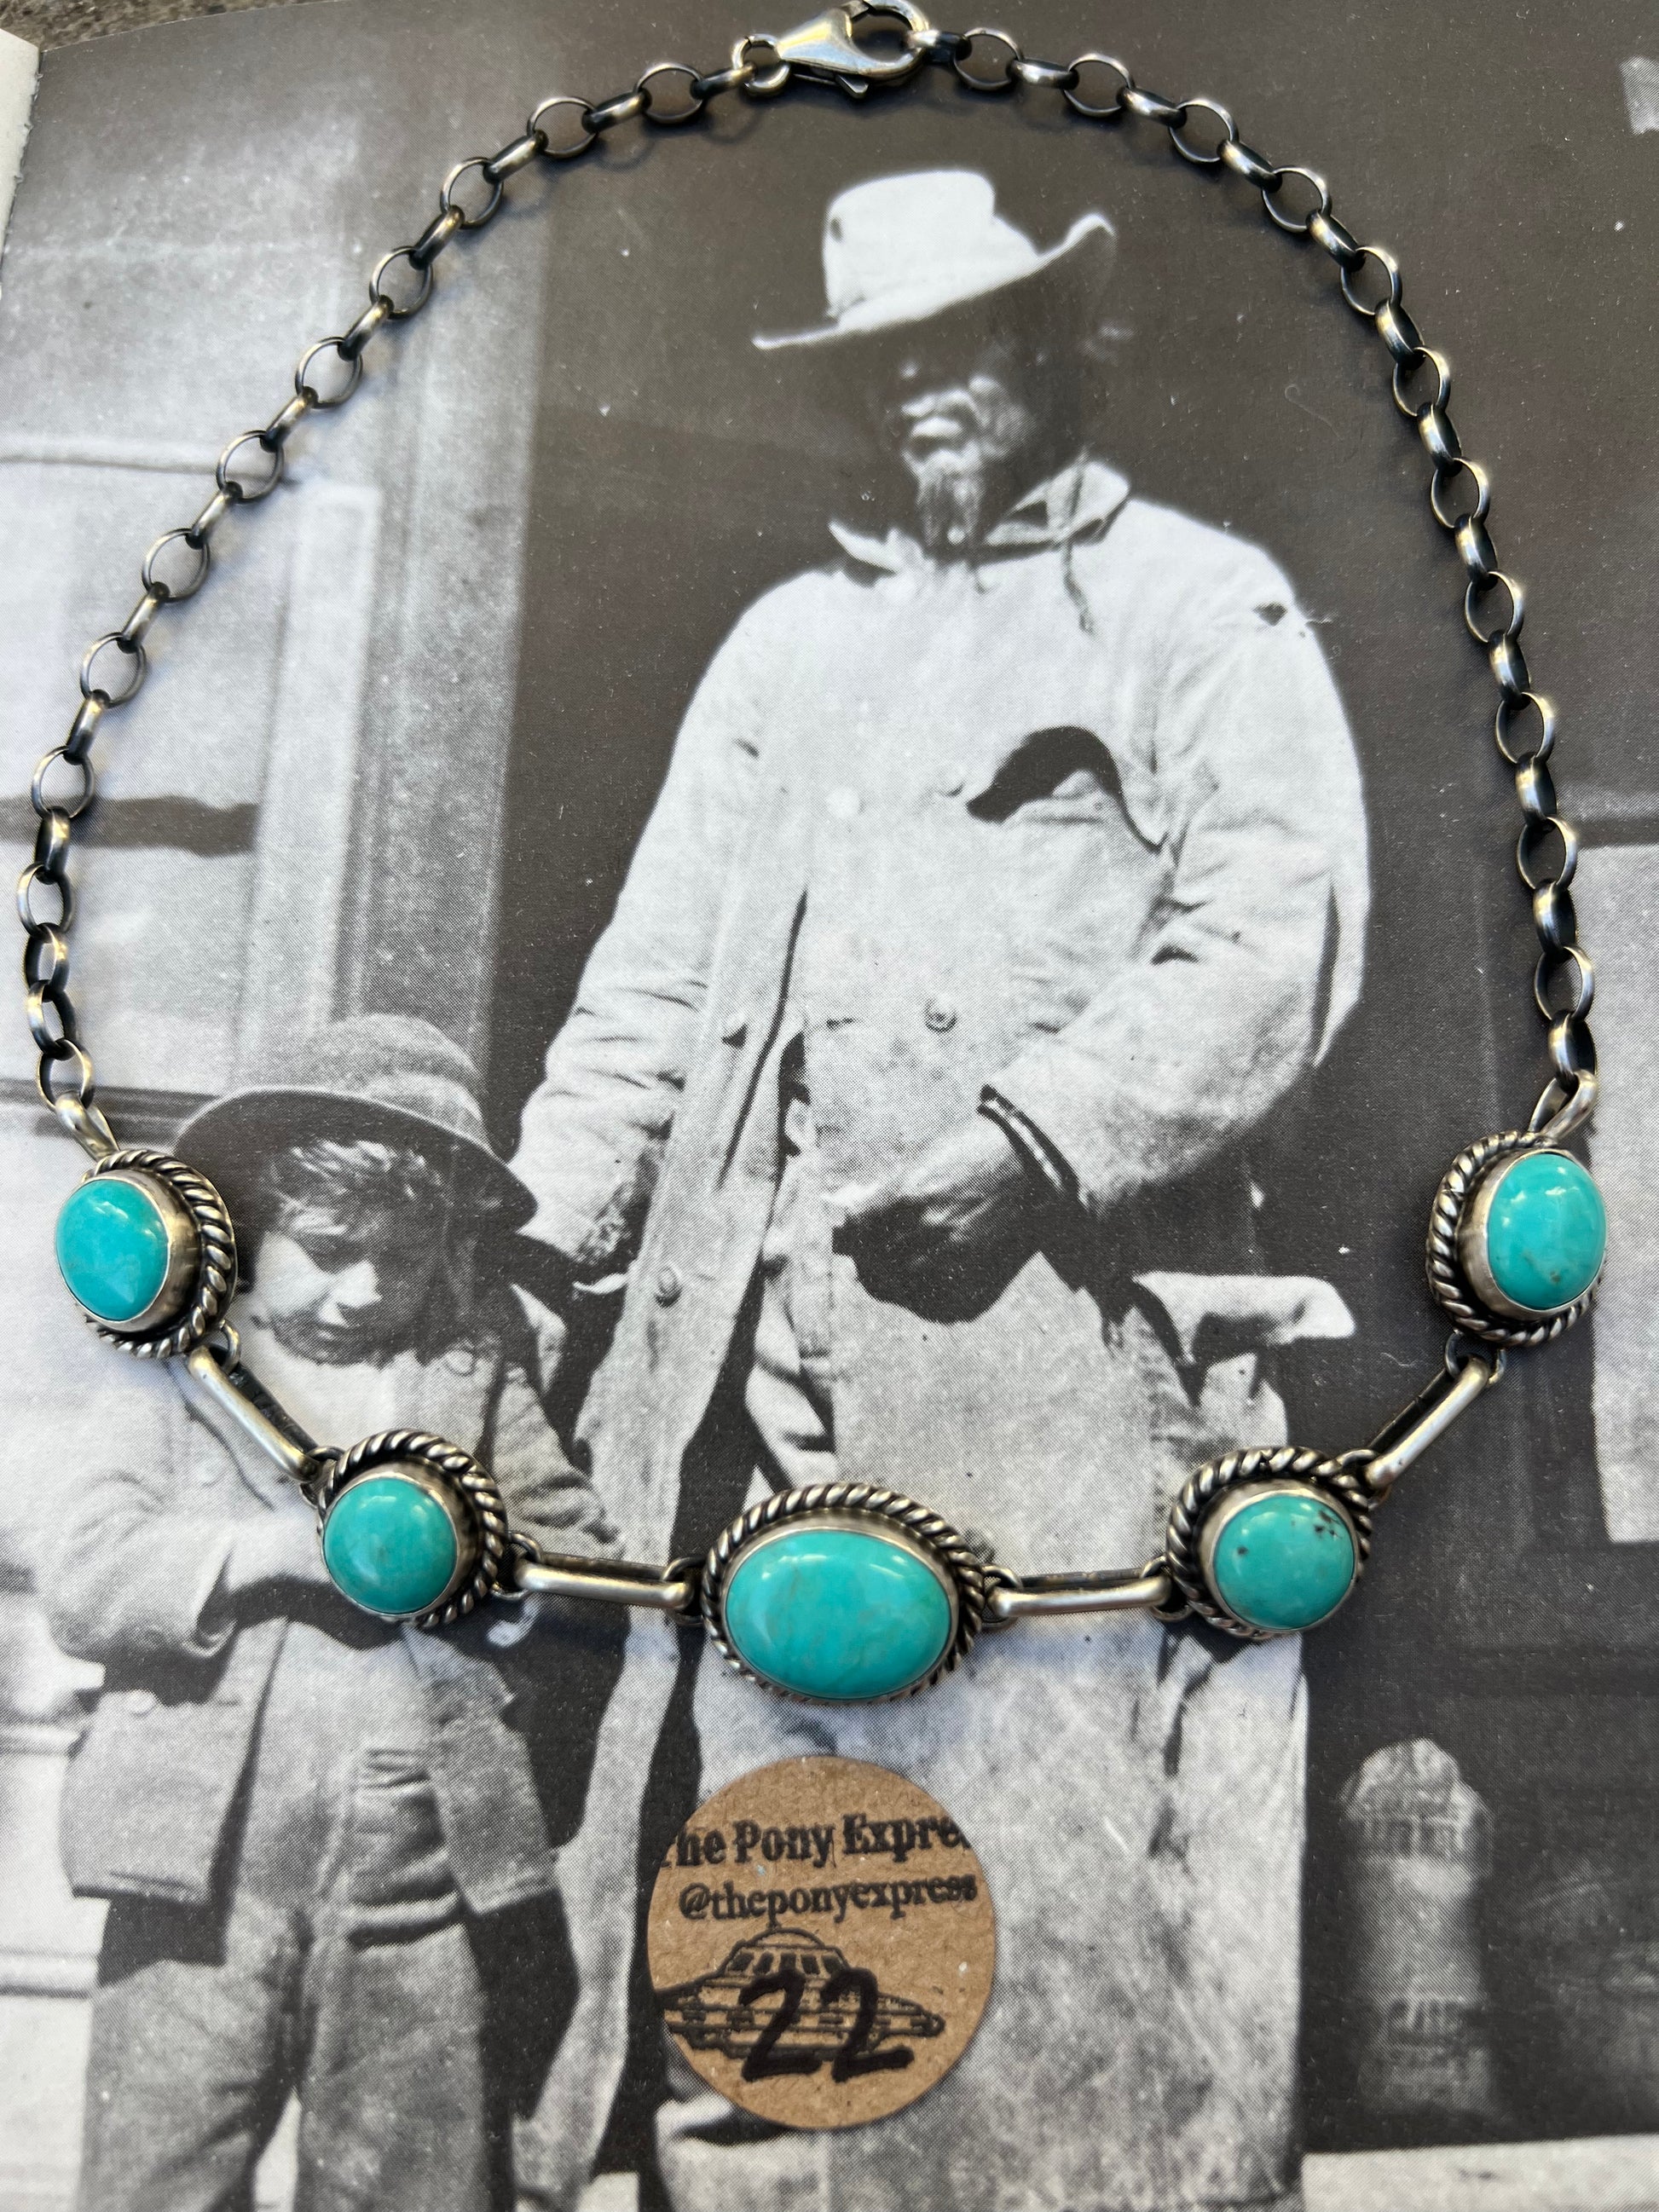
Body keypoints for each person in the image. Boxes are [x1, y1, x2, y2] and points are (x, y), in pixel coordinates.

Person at [512, 170, 1368, 2210]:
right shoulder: (786, 647)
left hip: (1054, 1373)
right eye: (879, 362)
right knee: (774, 1880)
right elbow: (649, 986)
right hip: (757, 1389)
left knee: (1050, 1898)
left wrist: (1035, 1136)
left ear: (1059, 345)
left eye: (961, 344)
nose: (920, 390)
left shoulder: (1195, 606)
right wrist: (541, 1234)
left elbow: (1275, 941)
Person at [32, 1015, 621, 2212]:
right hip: (198, 1871)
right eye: (330, 1248)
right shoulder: (173, 1360)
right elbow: (86, 1574)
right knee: (159, 2178)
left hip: (423, 1870)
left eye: (401, 1259)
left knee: (414, 2181)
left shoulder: (469, 1367)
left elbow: (584, 1568)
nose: (365, 1292)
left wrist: (483, 1569)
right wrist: (279, 1552)